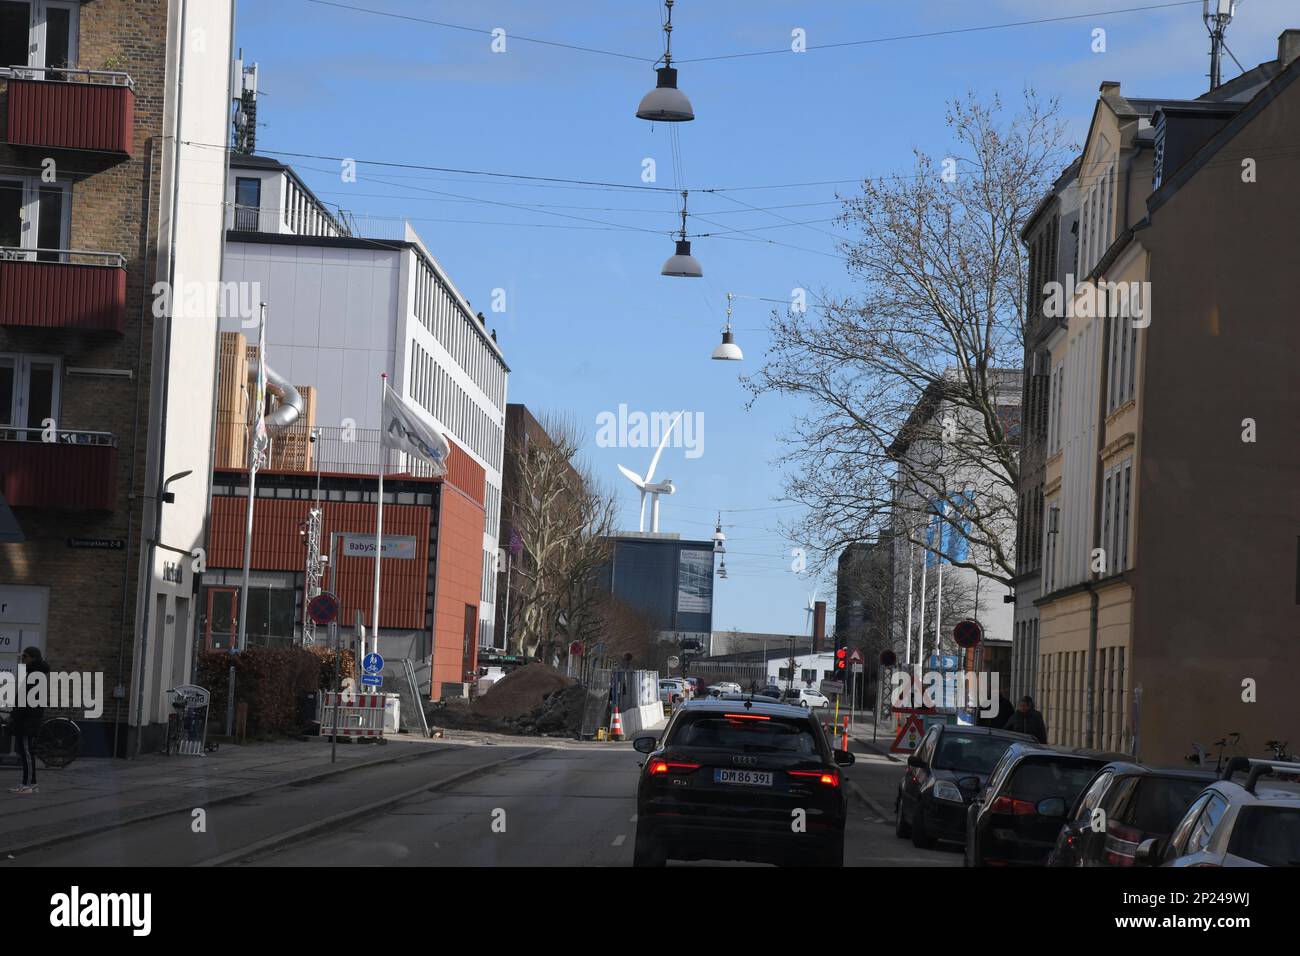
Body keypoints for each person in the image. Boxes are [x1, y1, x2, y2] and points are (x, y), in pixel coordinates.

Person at [9, 646, 50, 794]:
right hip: (26, 719)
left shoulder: (35, 675)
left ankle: (28, 785)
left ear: (33, 658)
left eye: (25, 656)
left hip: (28, 720)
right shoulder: (33, 673)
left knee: (26, 751)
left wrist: (14, 715)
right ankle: (30, 783)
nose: (23, 659)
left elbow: (27, 701)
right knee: (26, 751)